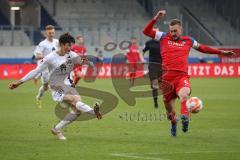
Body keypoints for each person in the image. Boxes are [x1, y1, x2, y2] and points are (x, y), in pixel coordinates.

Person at [143, 10, 235, 136]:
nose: (173, 33)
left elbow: (203, 48)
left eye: (175, 31)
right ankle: (174, 122)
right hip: (167, 79)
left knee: (184, 95)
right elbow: (146, 31)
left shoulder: (189, 40)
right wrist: (156, 18)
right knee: (169, 112)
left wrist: (221, 52)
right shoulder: (163, 36)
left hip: (181, 77)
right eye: (171, 31)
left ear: (180, 29)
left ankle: (185, 118)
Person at [9, 33, 102, 140]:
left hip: (69, 85)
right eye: (68, 45)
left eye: (71, 45)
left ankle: (56, 129)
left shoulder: (70, 54)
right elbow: (35, 71)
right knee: (73, 99)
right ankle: (93, 112)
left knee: (77, 111)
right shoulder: (50, 58)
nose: (70, 48)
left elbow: (81, 60)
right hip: (57, 87)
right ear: (62, 44)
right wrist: (19, 82)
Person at [34, 25, 59, 108]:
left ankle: (60, 98)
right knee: (45, 87)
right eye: (49, 33)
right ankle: (38, 97)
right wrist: (46, 57)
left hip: (54, 67)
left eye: (52, 33)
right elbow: (37, 56)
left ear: (54, 33)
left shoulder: (57, 42)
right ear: (46, 33)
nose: (51, 34)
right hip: (45, 68)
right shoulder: (42, 44)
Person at [142, 36, 162, 109]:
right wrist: (142, 59)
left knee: (162, 86)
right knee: (154, 85)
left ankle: (167, 100)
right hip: (152, 66)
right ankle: (156, 103)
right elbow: (143, 51)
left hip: (162, 66)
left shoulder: (163, 42)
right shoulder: (149, 43)